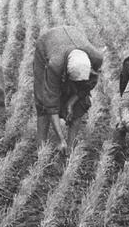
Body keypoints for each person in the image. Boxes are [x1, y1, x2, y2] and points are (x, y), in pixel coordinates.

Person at [33, 25, 104, 153]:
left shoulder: (96, 58)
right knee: (43, 103)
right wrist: (60, 139)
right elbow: (51, 102)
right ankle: (41, 149)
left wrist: (71, 101)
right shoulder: (55, 64)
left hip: (74, 35)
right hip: (46, 46)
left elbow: (88, 85)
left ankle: (70, 149)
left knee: (80, 104)